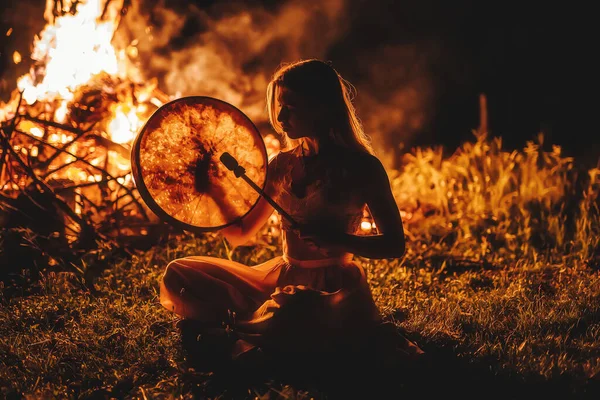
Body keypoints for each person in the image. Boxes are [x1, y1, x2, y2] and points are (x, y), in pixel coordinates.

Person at [159, 59, 422, 362]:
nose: (281, 116)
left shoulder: (362, 167)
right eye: (280, 106)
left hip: (332, 289)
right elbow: (240, 234)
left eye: (292, 107)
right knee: (179, 273)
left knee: (296, 310)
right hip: (280, 278)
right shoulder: (281, 165)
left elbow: (394, 244)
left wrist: (340, 241)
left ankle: (239, 331)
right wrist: (213, 192)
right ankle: (253, 328)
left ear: (322, 106)